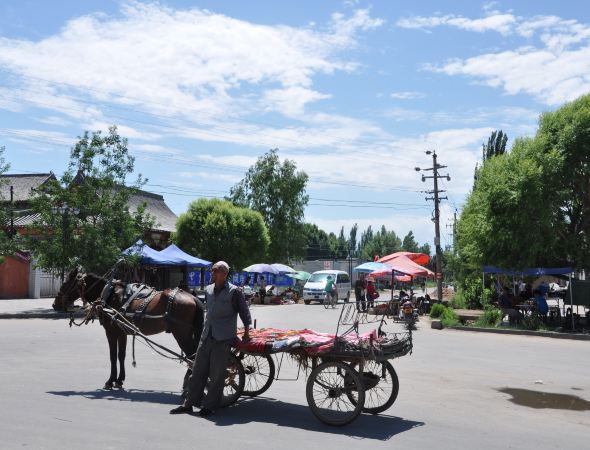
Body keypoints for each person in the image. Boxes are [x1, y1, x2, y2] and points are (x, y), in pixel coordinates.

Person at [170, 261, 251, 417]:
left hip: (223, 338)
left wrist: (247, 332)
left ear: (225, 274)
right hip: (207, 336)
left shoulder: (234, 292)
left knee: (217, 374)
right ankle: (189, 403)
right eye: (212, 270)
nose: (212, 273)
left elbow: (244, 312)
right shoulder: (208, 290)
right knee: (197, 371)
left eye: (216, 271)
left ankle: (209, 406)